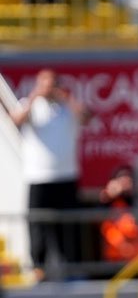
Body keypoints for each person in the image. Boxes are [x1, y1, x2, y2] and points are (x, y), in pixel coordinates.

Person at [9, 68, 90, 280]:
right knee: (38, 225)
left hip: (66, 176)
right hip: (38, 177)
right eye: (44, 85)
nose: (48, 89)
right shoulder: (30, 105)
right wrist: (35, 97)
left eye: (51, 85)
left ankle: (71, 268)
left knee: (68, 226)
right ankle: (38, 269)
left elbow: (86, 117)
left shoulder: (67, 107)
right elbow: (16, 120)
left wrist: (66, 98)